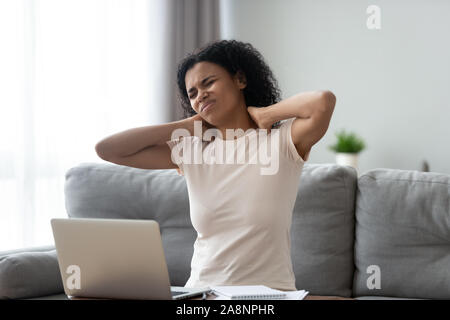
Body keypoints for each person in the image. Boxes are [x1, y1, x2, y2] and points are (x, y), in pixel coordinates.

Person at [95, 39, 336, 291]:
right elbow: (108, 149)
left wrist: (267, 114)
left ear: (240, 80)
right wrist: (186, 126)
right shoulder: (191, 150)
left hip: (269, 295)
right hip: (200, 293)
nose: (201, 95)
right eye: (193, 94)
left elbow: (323, 102)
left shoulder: (282, 141)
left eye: (208, 82)